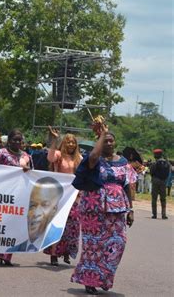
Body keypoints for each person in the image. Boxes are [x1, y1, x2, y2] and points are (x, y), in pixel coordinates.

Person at [71, 124, 135, 295]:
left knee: (118, 242)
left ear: (115, 143)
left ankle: (104, 277)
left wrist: (131, 209)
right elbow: (92, 156)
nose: (108, 143)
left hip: (118, 209)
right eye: (105, 141)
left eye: (110, 140)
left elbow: (127, 185)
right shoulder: (94, 159)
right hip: (94, 208)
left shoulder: (123, 162)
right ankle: (90, 279)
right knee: (93, 246)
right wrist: (102, 134)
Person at [0, 129, 32, 265]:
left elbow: (31, 171)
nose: (17, 142)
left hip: (18, 194)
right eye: (14, 140)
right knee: (2, 222)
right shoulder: (2, 153)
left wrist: (27, 169)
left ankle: (7, 255)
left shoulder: (25, 155)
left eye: (19, 140)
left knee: (14, 224)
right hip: (3, 193)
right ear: (9, 141)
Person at [43, 127, 82, 266]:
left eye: (73, 142)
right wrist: (54, 140)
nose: (71, 144)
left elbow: (82, 175)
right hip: (59, 196)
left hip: (74, 197)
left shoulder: (79, 158)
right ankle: (53, 254)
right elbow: (50, 157)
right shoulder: (59, 155)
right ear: (64, 143)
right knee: (57, 224)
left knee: (72, 226)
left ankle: (66, 251)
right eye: (68, 142)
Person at [7, 176, 64, 252]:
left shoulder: (57, 237)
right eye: (32, 205)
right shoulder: (15, 246)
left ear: (54, 210)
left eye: (45, 205)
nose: (36, 213)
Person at [150, 149, 170, 219]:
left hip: (155, 180)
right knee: (163, 198)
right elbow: (168, 172)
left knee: (154, 198)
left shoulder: (154, 163)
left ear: (155, 155)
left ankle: (154, 214)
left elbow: (151, 172)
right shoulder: (166, 163)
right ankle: (163, 215)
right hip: (163, 181)